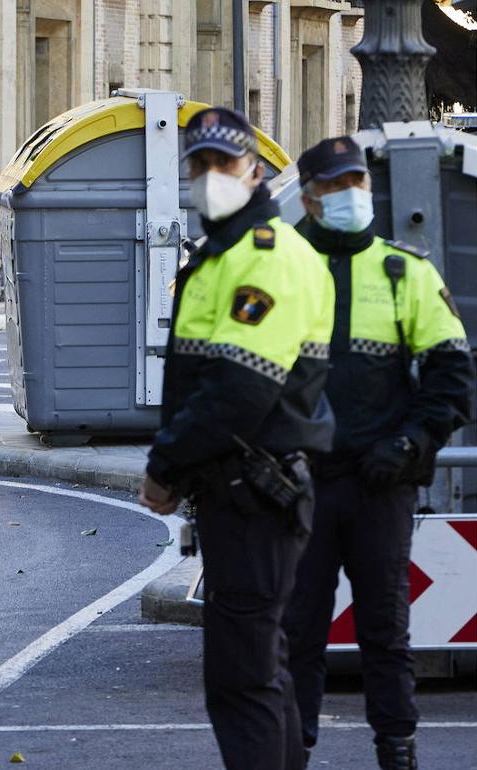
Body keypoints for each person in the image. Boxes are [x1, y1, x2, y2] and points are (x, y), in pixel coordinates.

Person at [137, 107, 335, 770]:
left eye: (224, 164)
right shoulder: (226, 256)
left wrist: (165, 465)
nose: (209, 177)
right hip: (240, 492)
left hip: (254, 490)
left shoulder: (264, 258)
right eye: (199, 165)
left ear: (255, 172)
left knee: (242, 681)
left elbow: (240, 391)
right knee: (261, 672)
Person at [283, 136, 474, 770]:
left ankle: (398, 751)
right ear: (308, 198)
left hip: (378, 484)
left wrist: (409, 443)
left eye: (357, 182)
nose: (351, 195)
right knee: (297, 633)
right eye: (336, 186)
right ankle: (292, 749)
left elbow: (453, 379)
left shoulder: (405, 272)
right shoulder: (276, 272)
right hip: (300, 484)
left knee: (386, 633)